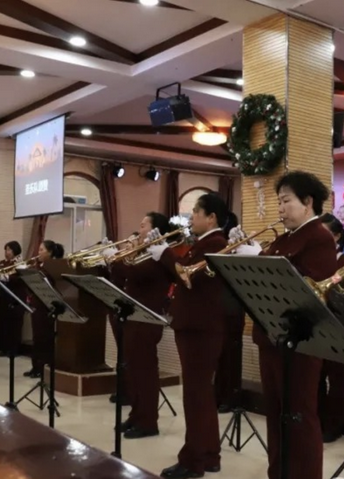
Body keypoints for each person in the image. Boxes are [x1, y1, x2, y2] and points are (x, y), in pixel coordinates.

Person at [240, 171, 337, 479]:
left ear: (308, 202)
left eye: (286, 201)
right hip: (272, 337)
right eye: (279, 201)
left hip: (300, 341)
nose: (280, 209)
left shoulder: (318, 236)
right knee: (277, 413)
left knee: (299, 415)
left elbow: (311, 287)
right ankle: (278, 473)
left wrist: (261, 261)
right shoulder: (286, 237)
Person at [150, 193, 229, 478]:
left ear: (212, 218)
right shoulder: (206, 242)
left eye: (196, 212)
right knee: (201, 395)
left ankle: (193, 461)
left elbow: (188, 277)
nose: (191, 217)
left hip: (200, 329)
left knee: (195, 396)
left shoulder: (216, 243)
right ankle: (209, 454)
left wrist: (166, 255)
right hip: (196, 327)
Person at [111, 212, 173, 439]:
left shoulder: (159, 254)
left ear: (156, 229)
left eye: (144, 225)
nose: (140, 228)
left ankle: (148, 421)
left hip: (147, 318)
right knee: (134, 370)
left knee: (145, 373)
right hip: (134, 316)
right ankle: (136, 415)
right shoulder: (146, 252)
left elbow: (136, 274)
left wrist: (120, 258)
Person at [318, 213, 344, 443]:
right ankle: (318, 420)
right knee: (316, 376)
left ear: (337, 236)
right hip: (316, 324)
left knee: (337, 376)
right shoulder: (317, 258)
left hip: (339, 324)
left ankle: (335, 423)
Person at [215, 212, 246, 414]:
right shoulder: (221, 247)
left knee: (231, 355)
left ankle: (230, 397)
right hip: (219, 307)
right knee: (220, 354)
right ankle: (218, 394)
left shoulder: (240, 249)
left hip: (234, 308)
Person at [25, 240, 64, 378]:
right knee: (36, 337)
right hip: (36, 304)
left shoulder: (52, 267)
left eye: (42, 250)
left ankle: (44, 368)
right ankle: (35, 366)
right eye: (39, 249)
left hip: (46, 306)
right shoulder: (39, 266)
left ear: (50, 252)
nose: (38, 252)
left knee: (44, 337)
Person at [0, 241, 24, 358]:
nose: (6, 252)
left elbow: (19, 279)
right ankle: (5, 347)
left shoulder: (19, 263)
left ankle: (14, 349)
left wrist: (7, 277)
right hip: (4, 295)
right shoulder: (2, 263)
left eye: (9, 250)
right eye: (5, 250)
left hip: (16, 296)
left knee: (15, 324)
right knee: (4, 323)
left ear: (15, 251)